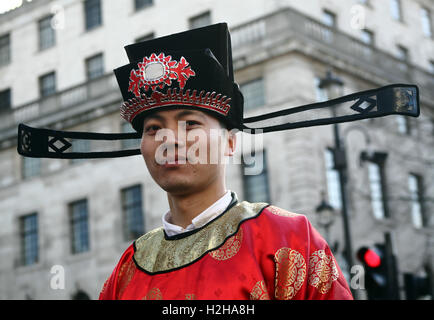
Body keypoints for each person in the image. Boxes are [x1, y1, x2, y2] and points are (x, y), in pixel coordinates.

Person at [98, 23, 353, 300]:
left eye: (190, 124)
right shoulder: (129, 267)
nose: (169, 140)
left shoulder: (288, 238)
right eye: (154, 129)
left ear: (230, 142)